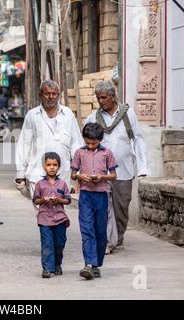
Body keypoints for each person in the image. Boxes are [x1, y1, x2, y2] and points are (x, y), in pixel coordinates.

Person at [85, 80, 149, 253]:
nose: (101, 101)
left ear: (113, 97)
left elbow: (138, 139)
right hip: (101, 173)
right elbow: (87, 144)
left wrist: (143, 167)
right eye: (98, 98)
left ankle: (118, 236)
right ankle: (108, 241)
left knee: (121, 206)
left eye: (104, 97)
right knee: (104, 207)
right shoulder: (93, 118)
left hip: (124, 170)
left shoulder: (128, 115)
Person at [15, 79, 83, 200]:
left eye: (54, 94)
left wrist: (79, 171)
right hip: (37, 174)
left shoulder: (68, 114)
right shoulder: (32, 115)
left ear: (58, 95)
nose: (51, 97)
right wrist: (20, 172)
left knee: (58, 214)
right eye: (47, 94)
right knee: (42, 214)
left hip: (62, 175)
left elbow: (76, 143)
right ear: (40, 95)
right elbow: (24, 144)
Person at [71, 123, 118, 280]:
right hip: (85, 195)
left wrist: (102, 177)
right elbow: (72, 173)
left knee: (100, 231)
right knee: (87, 230)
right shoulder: (79, 152)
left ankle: (96, 264)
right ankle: (89, 264)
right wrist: (79, 176)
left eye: (94, 143)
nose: (90, 146)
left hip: (101, 195)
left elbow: (114, 175)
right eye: (88, 142)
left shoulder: (107, 153)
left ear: (100, 140)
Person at [33, 152, 71, 278]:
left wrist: (59, 200)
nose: (52, 167)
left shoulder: (62, 184)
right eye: (49, 164)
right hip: (45, 219)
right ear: (44, 166)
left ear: (59, 167)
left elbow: (68, 200)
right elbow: (35, 200)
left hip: (60, 219)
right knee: (47, 244)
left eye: (55, 165)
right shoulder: (40, 184)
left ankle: (57, 264)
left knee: (59, 244)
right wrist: (43, 200)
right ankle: (47, 269)